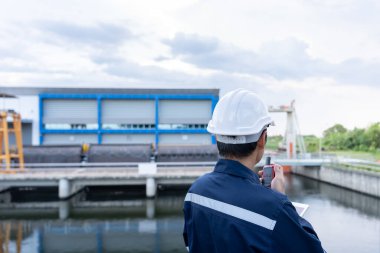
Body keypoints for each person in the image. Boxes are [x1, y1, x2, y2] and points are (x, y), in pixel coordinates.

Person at [183, 89, 325, 253]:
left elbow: (191, 243)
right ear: (262, 139)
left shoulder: (195, 191)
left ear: (216, 136)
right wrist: (280, 199)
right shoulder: (274, 209)